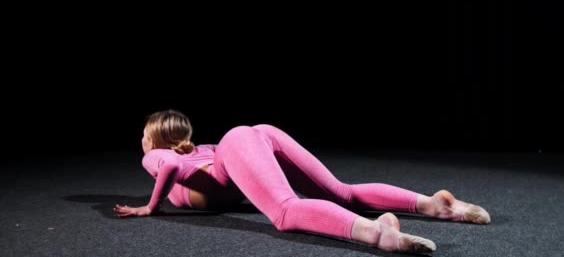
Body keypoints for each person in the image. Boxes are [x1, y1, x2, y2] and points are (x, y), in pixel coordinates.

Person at [114, 110, 490, 254]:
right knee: (342, 191)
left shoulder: (155, 155)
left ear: (152, 138)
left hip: (235, 148)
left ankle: (378, 233)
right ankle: (434, 204)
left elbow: (166, 168)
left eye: (143, 135)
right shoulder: (199, 149)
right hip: (255, 135)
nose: (142, 143)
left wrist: (151, 206)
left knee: (284, 210)